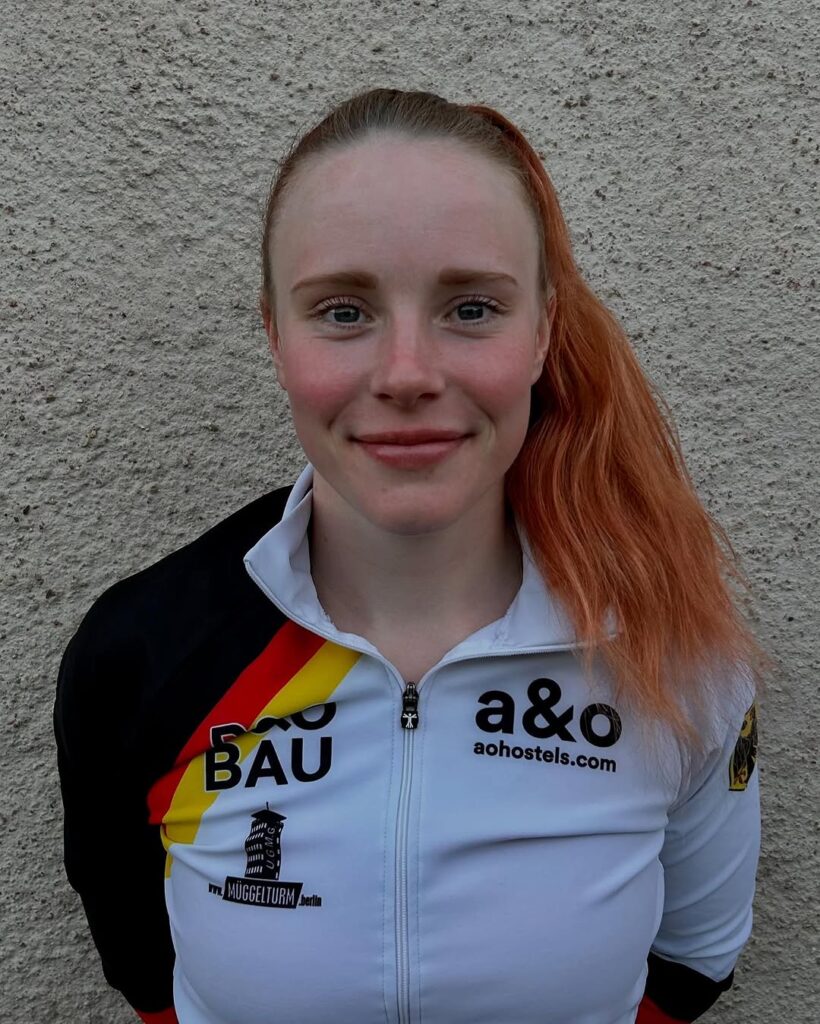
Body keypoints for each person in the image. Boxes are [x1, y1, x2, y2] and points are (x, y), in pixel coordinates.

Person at [54, 87, 769, 1024]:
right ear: (275, 337)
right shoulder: (141, 652)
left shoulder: (673, 648)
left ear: (543, 333)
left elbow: (692, 959)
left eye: (471, 307)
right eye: (342, 311)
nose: (406, 375)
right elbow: (144, 964)